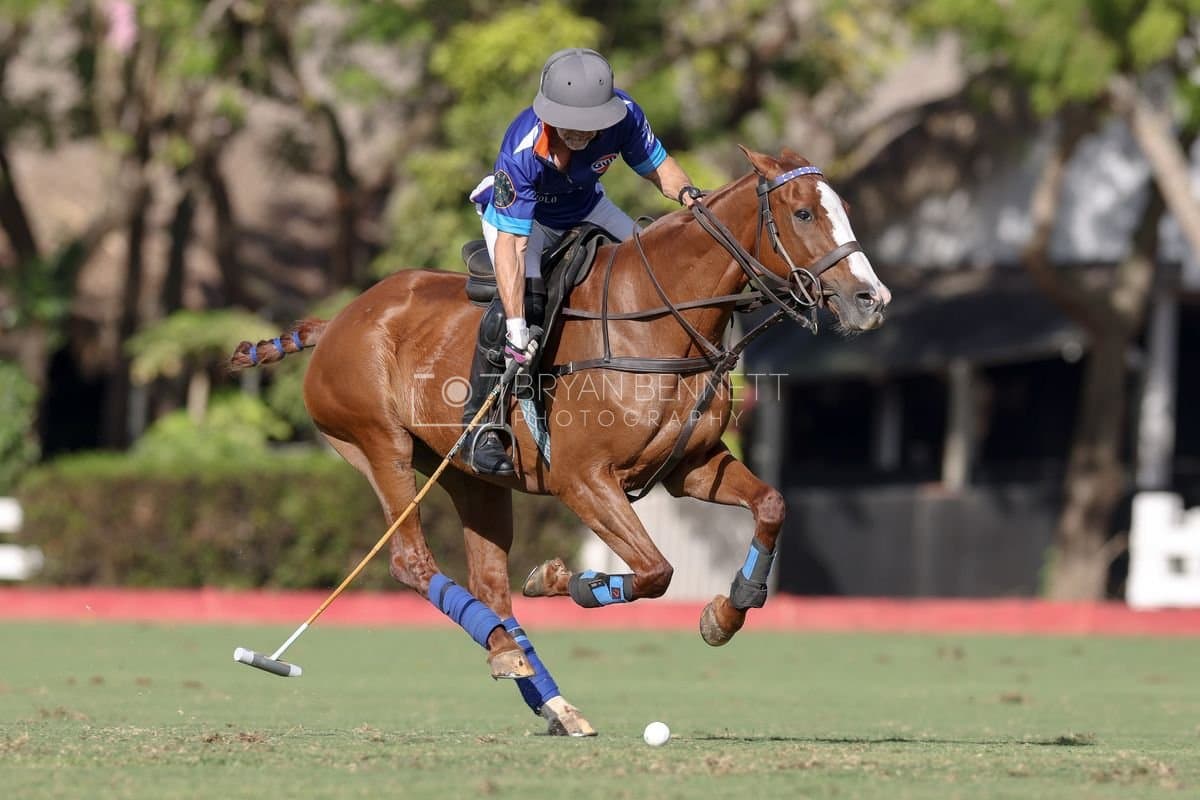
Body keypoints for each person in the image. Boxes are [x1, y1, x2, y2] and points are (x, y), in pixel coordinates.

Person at [463, 47, 701, 475]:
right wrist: (518, 329)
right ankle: (477, 428)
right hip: (524, 225)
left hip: (589, 207)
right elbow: (511, 247)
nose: (580, 133)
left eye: (591, 126)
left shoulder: (625, 114)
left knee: (658, 271)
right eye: (570, 125)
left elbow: (659, 168)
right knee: (523, 311)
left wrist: (691, 198)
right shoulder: (521, 151)